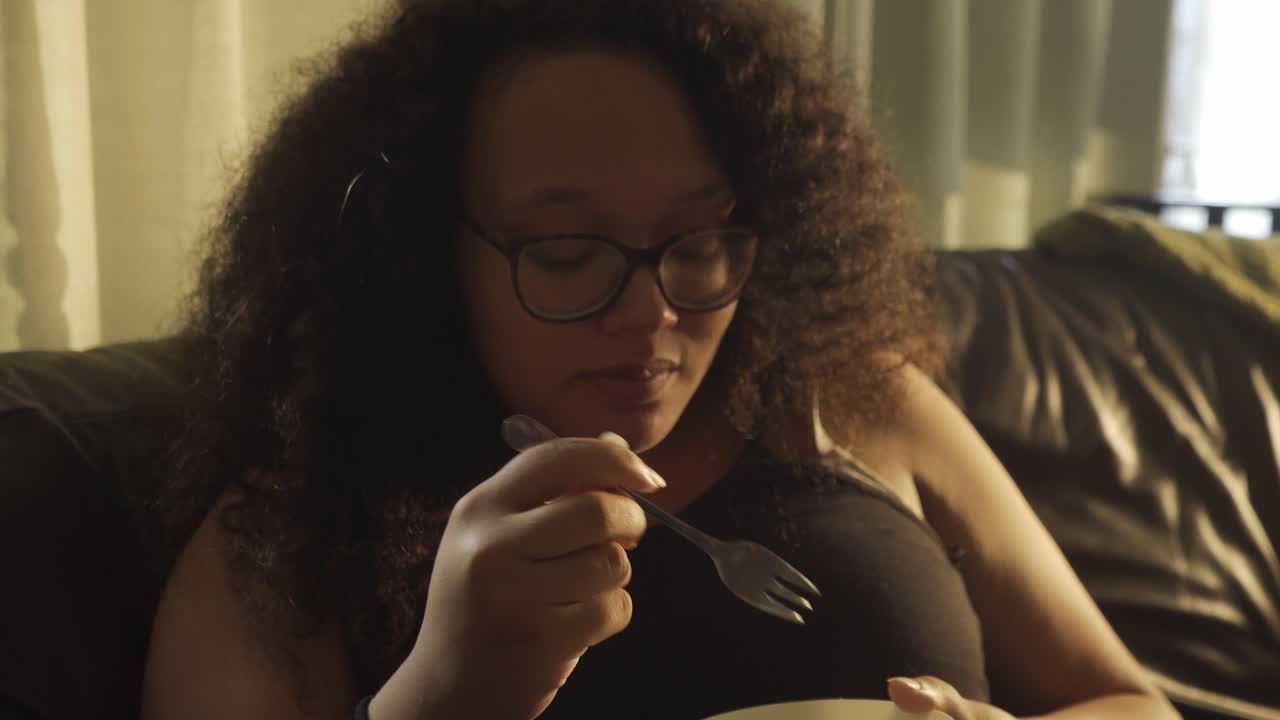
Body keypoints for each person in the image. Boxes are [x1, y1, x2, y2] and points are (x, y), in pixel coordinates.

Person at [141, 1, 1180, 719]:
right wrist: (440, 700)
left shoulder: (856, 399)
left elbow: (1133, 699)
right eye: (565, 254)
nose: (649, 316)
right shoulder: (294, 528)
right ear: (417, 251)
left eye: (699, 243)